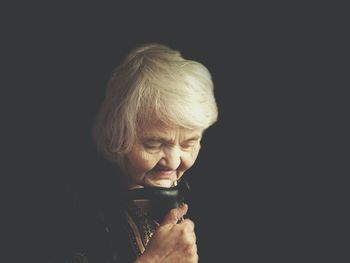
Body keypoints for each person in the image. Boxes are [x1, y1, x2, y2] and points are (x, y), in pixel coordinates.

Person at [51, 43, 218, 262]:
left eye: (188, 144)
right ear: (116, 136)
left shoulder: (208, 199)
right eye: (155, 144)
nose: (174, 161)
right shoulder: (69, 211)